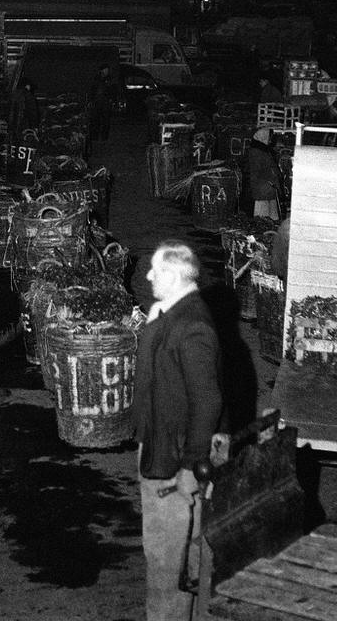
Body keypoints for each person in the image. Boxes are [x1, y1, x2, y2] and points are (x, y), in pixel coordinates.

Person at [131, 243, 225, 621]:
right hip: (162, 447)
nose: (150, 277)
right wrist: (156, 321)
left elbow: (208, 401)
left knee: (167, 557)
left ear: (172, 275)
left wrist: (190, 468)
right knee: (174, 555)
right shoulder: (175, 313)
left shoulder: (194, 326)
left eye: (155, 271)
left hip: (174, 459)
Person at [89, 64, 113, 143]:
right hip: (97, 102)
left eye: (107, 70)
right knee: (96, 120)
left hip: (105, 102)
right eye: (105, 70)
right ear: (101, 70)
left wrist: (110, 99)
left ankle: (104, 137)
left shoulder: (109, 79)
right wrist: (91, 100)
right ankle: (95, 137)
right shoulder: (96, 79)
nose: (107, 71)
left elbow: (111, 90)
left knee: (106, 121)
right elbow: (92, 90)